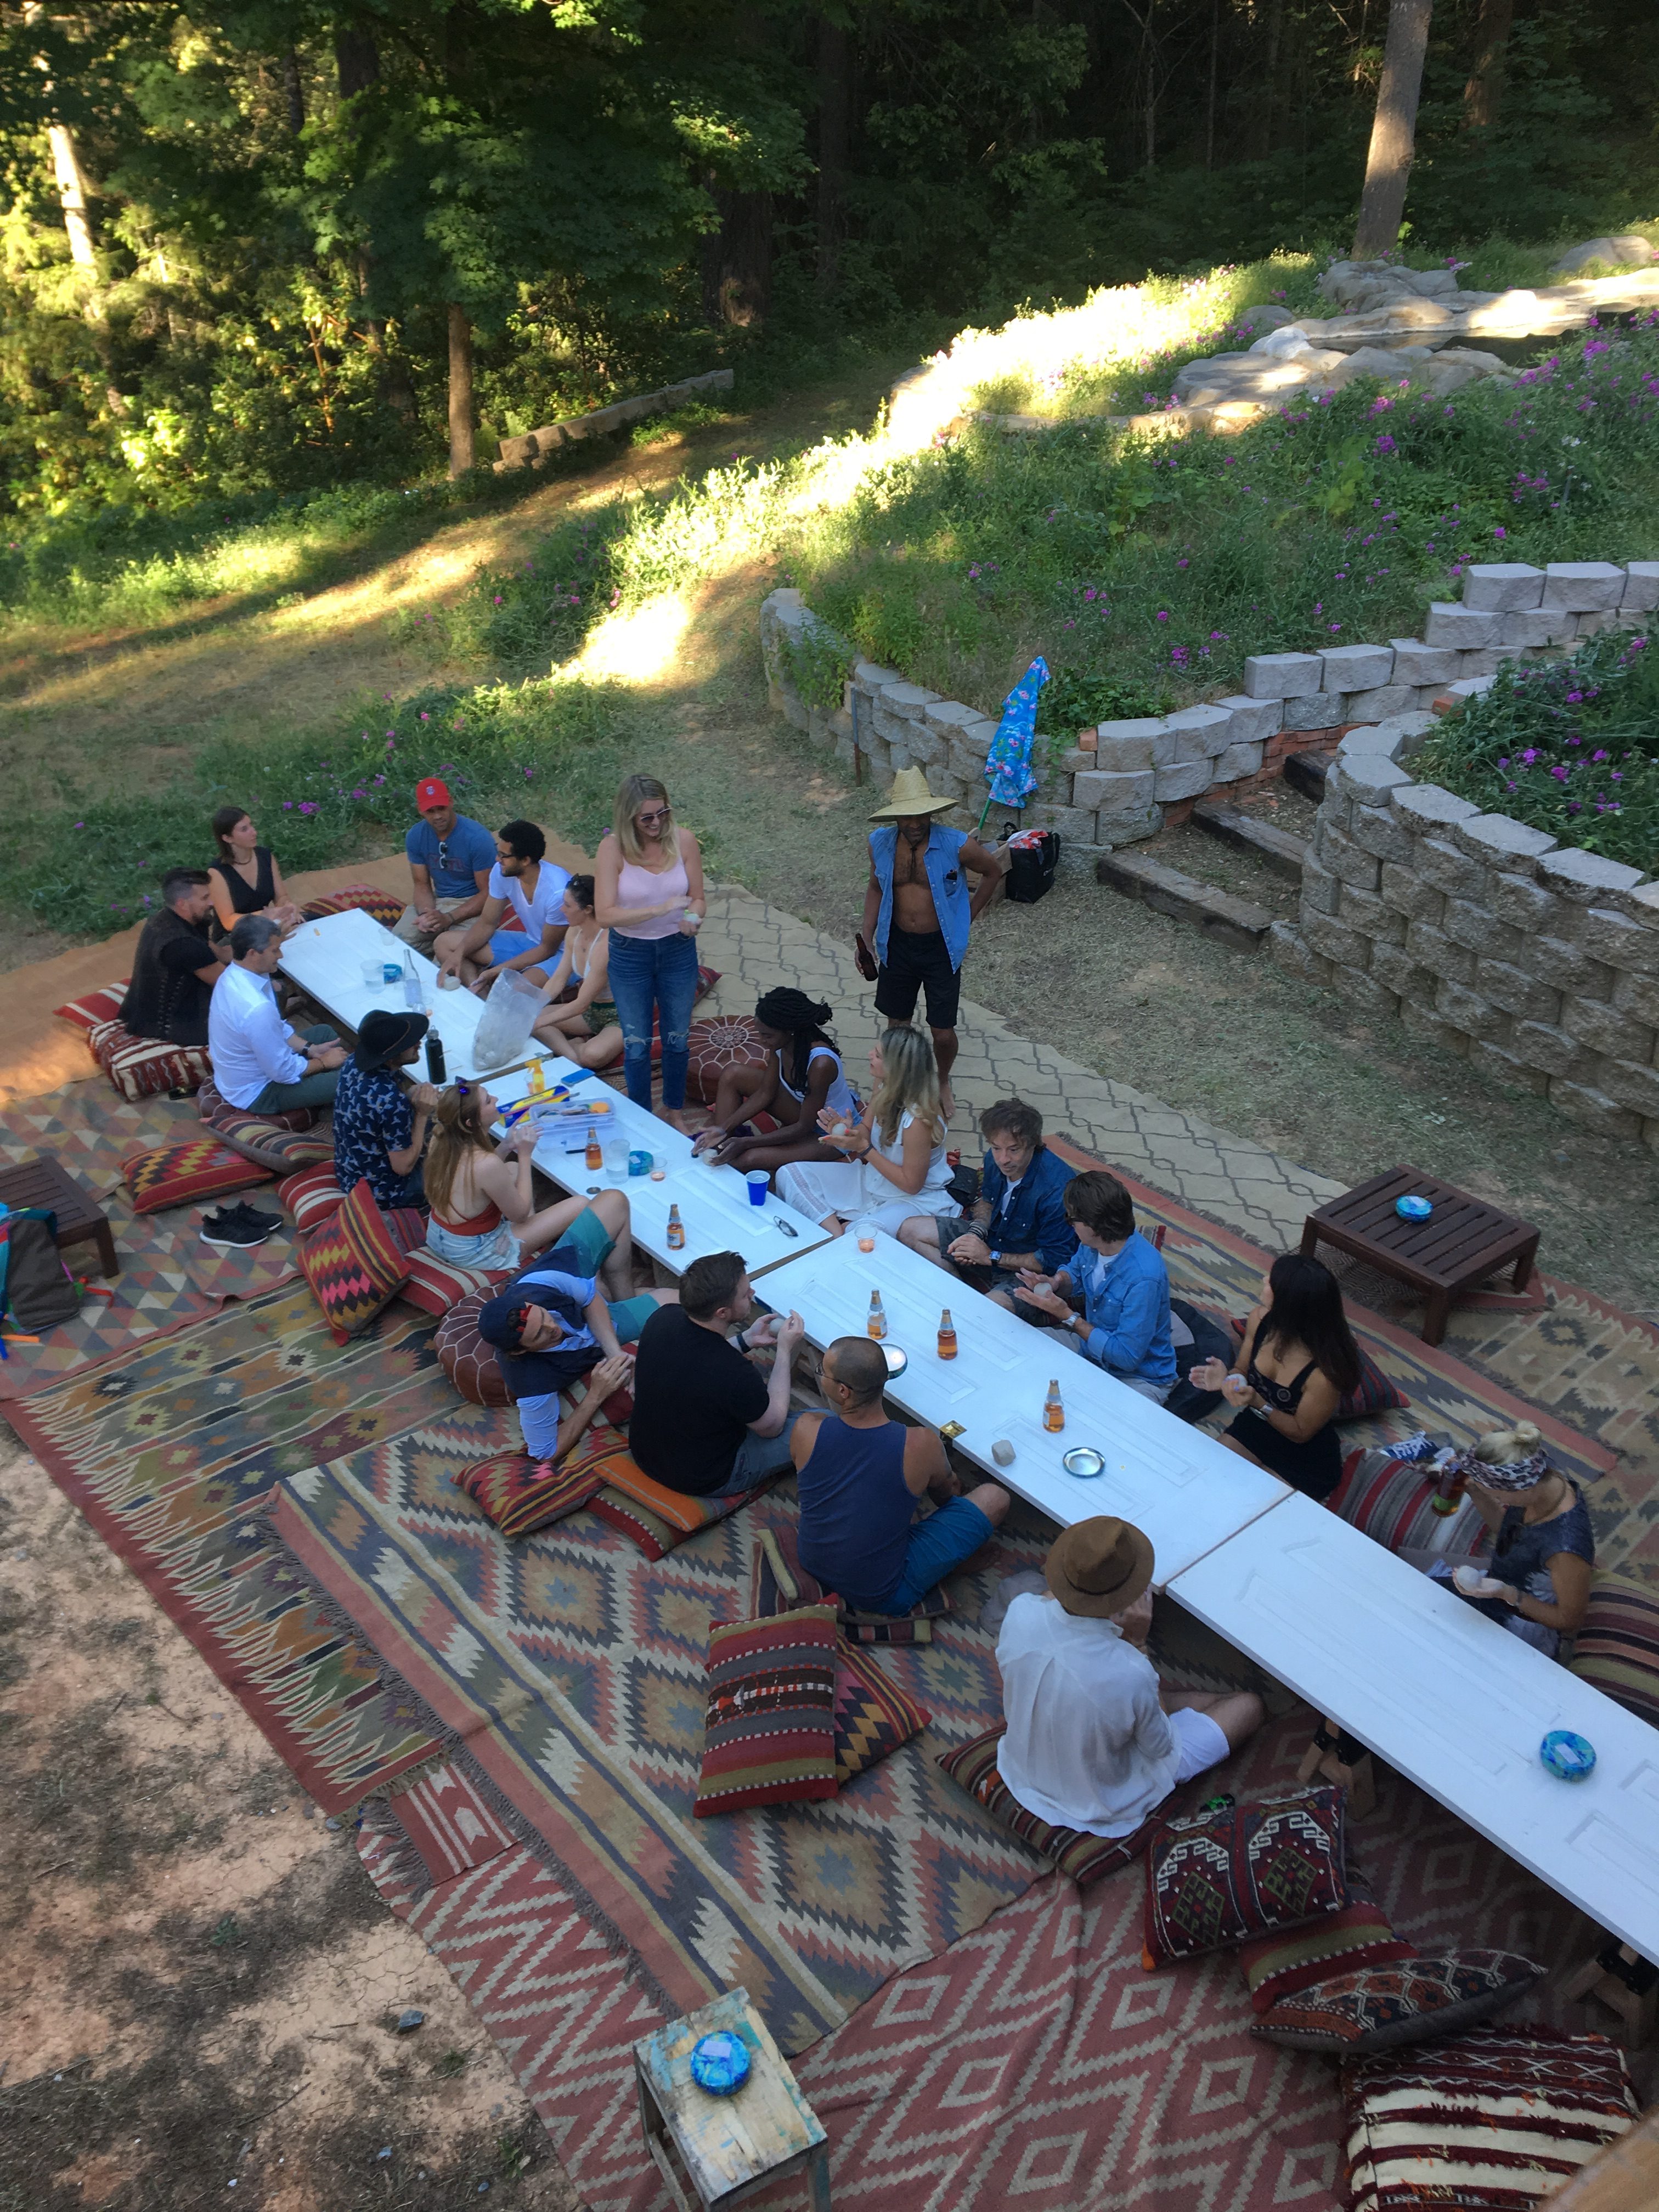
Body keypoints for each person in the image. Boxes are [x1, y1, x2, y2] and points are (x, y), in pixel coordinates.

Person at [996, 1517, 1265, 1839]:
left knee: (1154, 1699)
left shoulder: (1021, 1610)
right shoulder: (1131, 1670)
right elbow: (1161, 1749)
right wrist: (1138, 1645)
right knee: (1249, 1705)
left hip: (1022, 1766)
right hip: (1100, 1802)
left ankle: (1164, 1706)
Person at [792, 1334, 1008, 1615]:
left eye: (823, 1372)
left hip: (812, 1558)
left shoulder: (806, 1427)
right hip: (881, 1594)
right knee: (995, 1496)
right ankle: (949, 1563)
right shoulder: (921, 1443)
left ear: (844, 1391)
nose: (820, 1375)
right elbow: (946, 1496)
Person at [862, 767, 1007, 1116]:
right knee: (898, 1024)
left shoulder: (957, 844)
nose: (915, 823)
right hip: (897, 945)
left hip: (940, 948)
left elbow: (993, 872)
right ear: (896, 816)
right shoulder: (879, 844)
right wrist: (866, 937)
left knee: (942, 1032)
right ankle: (894, 1083)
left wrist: (967, 917)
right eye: (908, 816)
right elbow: (876, 887)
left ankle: (942, 1080)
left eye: (922, 815)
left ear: (932, 813)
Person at [477, 1218, 676, 1464]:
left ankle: (622, 1295)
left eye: (544, 1316)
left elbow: (589, 1298)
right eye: (539, 1334)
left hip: (592, 1316)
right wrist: (595, 1395)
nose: (552, 1327)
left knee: (614, 1201)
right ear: (520, 1352)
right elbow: (545, 1452)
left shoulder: (536, 1284)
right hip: (585, 1340)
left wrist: (615, 1355)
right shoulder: (529, 1380)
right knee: (676, 1306)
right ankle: (628, 1298)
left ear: (530, 1303)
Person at [628, 1251, 807, 1498]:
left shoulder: (664, 1317)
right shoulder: (735, 1373)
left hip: (645, 1451)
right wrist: (786, 1350)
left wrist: (745, 1340)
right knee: (820, 1423)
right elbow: (773, 1426)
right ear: (722, 1312)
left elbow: (693, 1363)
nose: (752, 1294)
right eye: (746, 1294)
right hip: (702, 1476)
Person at [1412, 1423, 1594, 1657]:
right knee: (1415, 1598)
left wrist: (1508, 1594)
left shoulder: (1565, 1549)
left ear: (1519, 1489)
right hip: (1494, 1587)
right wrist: (1476, 1491)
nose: (1495, 1498)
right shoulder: (1540, 1473)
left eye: (1496, 1495)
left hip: (1523, 1622)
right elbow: (1508, 1529)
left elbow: (1570, 1621)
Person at [1190, 1252, 1361, 1500]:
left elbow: (1301, 1432)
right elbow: (1242, 1369)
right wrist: (1229, 1380)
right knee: (1208, 1478)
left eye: (1273, 1282)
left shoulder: (1324, 1374)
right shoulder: (1259, 1320)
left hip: (1304, 1455)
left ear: (1289, 1303)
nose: (1264, 1279)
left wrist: (1256, 1401)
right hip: (1257, 1426)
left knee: (1251, 1503)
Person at [1006, 1170, 1178, 1402]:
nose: (1070, 1226)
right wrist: (1056, 1282)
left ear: (1095, 1225)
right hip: (1091, 1352)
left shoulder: (1144, 1279)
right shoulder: (1092, 1245)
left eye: (1072, 1219)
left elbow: (1127, 1357)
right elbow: (1075, 1273)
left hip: (1139, 1378)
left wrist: (1068, 1318)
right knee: (1018, 1344)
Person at [593, 775, 707, 1125]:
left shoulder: (684, 841)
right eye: (647, 818)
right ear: (628, 818)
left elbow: (699, 899)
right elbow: (604, 915)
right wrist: (659, 910)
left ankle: (673, 1109)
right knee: (637, 1041)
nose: (657, 823)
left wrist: (692, 917)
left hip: (677, 949)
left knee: (677, 1037)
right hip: (630, 953)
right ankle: (642, 1115)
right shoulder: (612, 850)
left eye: (662, 813)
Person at [774, 1025, 953, 1240]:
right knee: (790, 1174)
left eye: (877, 1055)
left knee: (863, 1234)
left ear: (896, 1068)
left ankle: (845, 1232)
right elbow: (866, 1129)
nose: (870, 1055)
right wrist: (846, 1130)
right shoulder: (883, 1085)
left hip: (911, 1200)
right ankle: (836, 1236)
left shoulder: (917, 1121)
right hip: (873, 1181)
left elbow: (911, 1185)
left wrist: (864, 1149)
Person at [423, 1080, 619, 1271]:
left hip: (442, 1236)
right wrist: (525, 1155)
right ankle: (564, 1263)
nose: (496, 1098)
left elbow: (475, 1175)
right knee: (581, 1204)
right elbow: (520, 1215)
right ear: (471, 1122)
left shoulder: (440, 1141)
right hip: (475, 1251)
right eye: (488, 1101)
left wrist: (507, 1146)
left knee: (511, 1168)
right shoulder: (485, 1164)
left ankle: (538, 1229)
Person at [899, 1097, 1075, 1294]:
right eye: (996, 1148)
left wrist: (990, 1256)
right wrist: (974, 1235)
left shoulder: (1056, 1191)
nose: (1003, 1159)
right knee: (909, 1230)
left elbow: (1053, 1259)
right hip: (992, 1240)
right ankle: (960, 1293)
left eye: (1014, 1150)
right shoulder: (995, 1159)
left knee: (994, 1309)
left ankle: (977, 1301)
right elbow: (988, 1201)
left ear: (1033, 1144)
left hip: (1024, 1269)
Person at [691, 989, 862, 1177]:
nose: (762, 1041)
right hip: (804, 1112)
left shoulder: (821, 1064)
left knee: (749, 1160)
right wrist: (724, 1128)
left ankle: (733, 1150)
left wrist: (748, 1142)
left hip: (829, 1132)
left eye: (768, 1036)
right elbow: (766, 1093)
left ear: (791, 1031)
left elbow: (804, 1127)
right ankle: (721, 1141)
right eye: (761, 1033)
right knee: (733, 1074)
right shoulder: (780, 1045)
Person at [207, 916, 347, 1111]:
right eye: (275, 950)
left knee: (325, 1033)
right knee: (351, 1080)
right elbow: (283, 1072)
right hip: (258, 1092)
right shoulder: (256, 1008)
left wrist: (309, 1049)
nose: (280, 955)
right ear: (253, 954)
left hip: (248, 1071)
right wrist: (323, 1063)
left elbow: (277, 1026)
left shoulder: (235, 975)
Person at [435, 820, 570, 989]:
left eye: (503, 856)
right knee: (444, 944)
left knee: (514, 988)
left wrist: (496, 971)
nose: (497, 859)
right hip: (530, 942)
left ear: (525, 860)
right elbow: (487, 923)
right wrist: (459, 954)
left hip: (564, 954)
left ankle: (487, 992)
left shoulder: (557, 892)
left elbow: (547, 949)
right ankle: (477, 995)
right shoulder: (501, 873)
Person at [330, 1009, 440, 1213]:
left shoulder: (353, 1064)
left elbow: (374, 1110)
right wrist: (422, 1113)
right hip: (384, 1193)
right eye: (411, 1042)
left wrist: (408, 1096)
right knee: (458, 1162)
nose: (419, 1043)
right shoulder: (391, 1102)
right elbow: (403, 1167)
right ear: (392, 1056)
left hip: (349, 1172)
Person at [523, 876, 625, 1068]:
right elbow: (559, 979)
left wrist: (537, 1025)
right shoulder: (574, 932)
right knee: (532, 1017)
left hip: (620, 1014)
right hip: (592, 1010)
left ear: (587, 910)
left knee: (592, 1056)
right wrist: (532, 1009)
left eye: (567, 906)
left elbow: (581, 1004)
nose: (562, 910)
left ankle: (574, 1053)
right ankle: (571, 1056)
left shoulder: (606, 945)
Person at [122, 868, 228, 1046]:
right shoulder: (183, 945)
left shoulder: (165, 919)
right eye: (204, 898)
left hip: (142, 1011)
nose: (211, 903)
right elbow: (230, 984)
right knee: (267, 991)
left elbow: (223, 953)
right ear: (182, 904)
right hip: (174, 1025)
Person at [396, 776, 498, 951]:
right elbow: (421, 884)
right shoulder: (415, 836)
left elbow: (489, 893)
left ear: (451, 802)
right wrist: (427, 915)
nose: (437, 816)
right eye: (430, 811)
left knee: (448, 954)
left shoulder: (477, 838)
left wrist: (450, 918)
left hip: (471, 904)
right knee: (398, 943)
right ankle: (433, 941)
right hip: (438, 901)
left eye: (441, 808)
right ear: (420, 810)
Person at [208, 805, 302, 936]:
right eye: (244, 829)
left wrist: (286, 908)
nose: (254, 832)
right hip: (235, 938)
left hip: (265, 927)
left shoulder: (265, 856)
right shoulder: (217, 872)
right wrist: (265, 915)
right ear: (227, 838)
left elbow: (281, 896)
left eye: (251, 825)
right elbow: (228, 921)